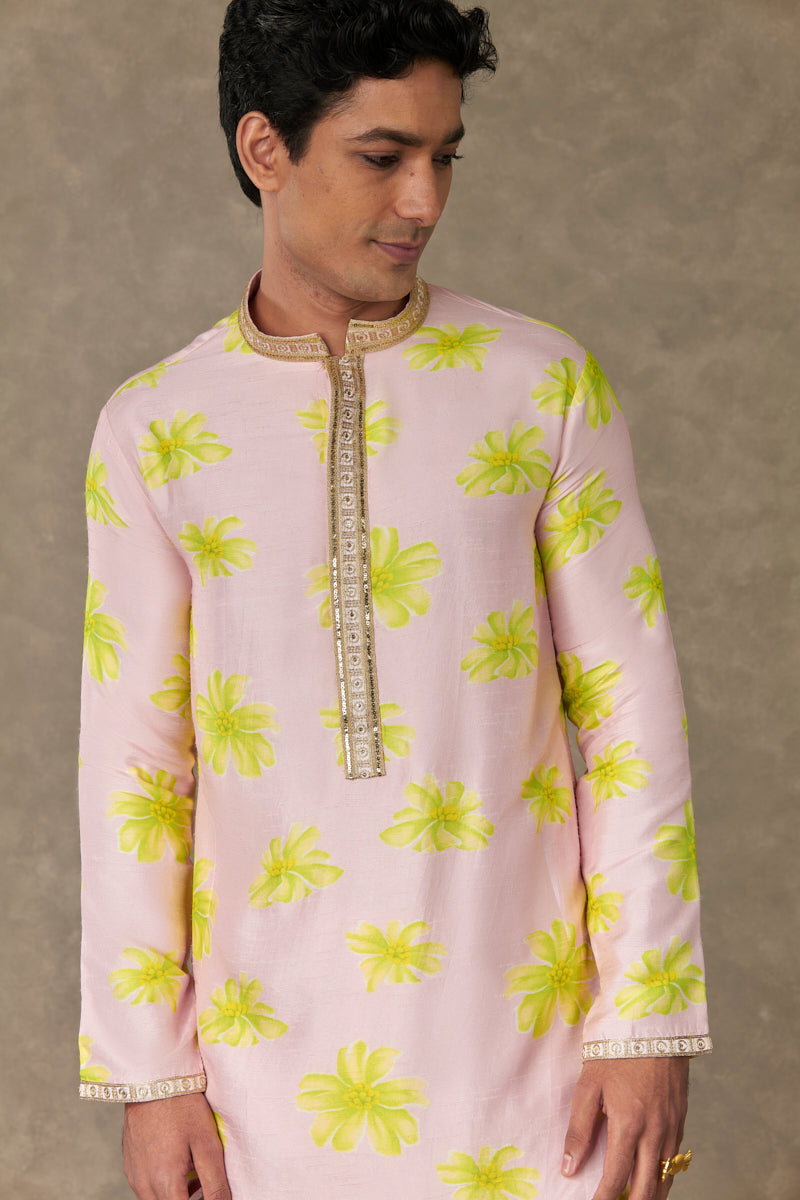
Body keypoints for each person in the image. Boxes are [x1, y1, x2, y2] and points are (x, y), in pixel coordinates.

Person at [77, 2, 711, 1198]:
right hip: (261, 1082)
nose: (423, 200)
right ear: (264, 149)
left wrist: (645, 1023)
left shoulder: (542, 387)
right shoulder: (154, 430)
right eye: (382, 157)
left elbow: (629, 718)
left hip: (537, 1070)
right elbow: (136, 769)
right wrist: (151, 1076)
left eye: (443, 156)